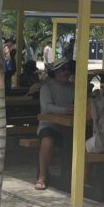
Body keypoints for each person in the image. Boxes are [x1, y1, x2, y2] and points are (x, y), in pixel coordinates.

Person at [35, 59, 75, 191]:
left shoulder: (73, 87)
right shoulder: (47, 88)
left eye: (68, 69)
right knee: (47, 142)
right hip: (49, 126)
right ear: (55, 72)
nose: (66, 72)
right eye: (63, 69)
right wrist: (66, 110)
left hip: (69, 128)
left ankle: (79, 177)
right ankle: (42, 177)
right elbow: (46, 107)